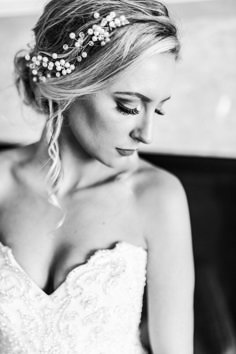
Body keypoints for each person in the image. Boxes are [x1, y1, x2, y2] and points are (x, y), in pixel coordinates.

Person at [0, 0, 194, 353]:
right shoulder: (3, 182)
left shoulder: (157, 197)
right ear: (70, 84)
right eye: (128, 106)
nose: (146, 134)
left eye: (159, 108)